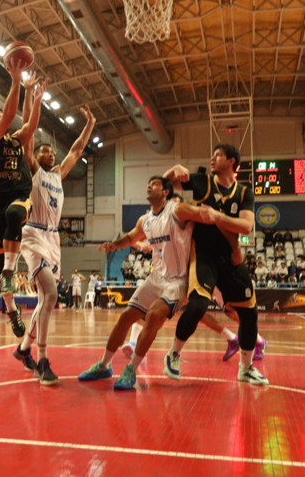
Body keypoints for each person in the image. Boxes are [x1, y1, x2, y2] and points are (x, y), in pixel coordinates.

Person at [162, 144, 268, 386]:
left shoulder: (244, 193)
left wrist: (217, 217)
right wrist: (172, 170)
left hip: (230, 256)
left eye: (218, 154)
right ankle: (173, 354)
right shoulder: (202, 182)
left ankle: (246, 367)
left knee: (250, 314)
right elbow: (164, 186)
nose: (212, 157)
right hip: (204, 255)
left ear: (231, 161)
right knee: (198, 305)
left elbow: (246, 227)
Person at [78, 175, 196, 390]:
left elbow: (203, 215)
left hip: (178, 280)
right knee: (126, 317)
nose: (149, 185)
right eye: (148, 183)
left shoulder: (177, 210)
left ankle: (132, 369)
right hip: (155, 277)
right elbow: (131, 237)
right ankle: (104, 365)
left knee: (152, 316)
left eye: (155, 184)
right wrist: (114, 245)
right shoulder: (146, 220)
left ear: (165, 192)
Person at [12, 101, 95, 385]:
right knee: (50, 295)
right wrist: (32, 98)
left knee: (42, 301)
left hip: (53, 239)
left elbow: (77, 150)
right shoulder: (34, 170)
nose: (50, 153)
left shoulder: (58, 174)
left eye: (51, 151)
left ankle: (23, 350)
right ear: (35, 156)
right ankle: (43, 360)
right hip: (33, 235)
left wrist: (90, 125)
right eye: (45, 151)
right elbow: (28, 134)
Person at [0, 57, 41, 338]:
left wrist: (35, 98)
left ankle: (10, 273)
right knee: (0, 264)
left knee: (16, 215)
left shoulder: (15, 140)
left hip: (18, 194)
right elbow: (8, 116)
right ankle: (12, 312)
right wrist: (16, 81)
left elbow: (29, 125)